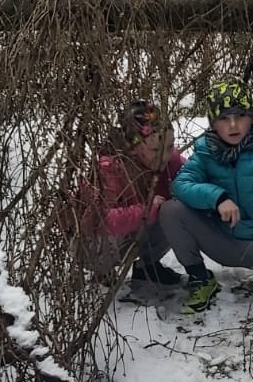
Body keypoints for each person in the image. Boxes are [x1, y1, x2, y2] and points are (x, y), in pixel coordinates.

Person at [160, 78, 253, 313]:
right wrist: (217, 198)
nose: (233, 125)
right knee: (171, 210)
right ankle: (201, 279)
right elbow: (180, 184)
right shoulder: (206, 150)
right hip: (224, 240)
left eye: (240, 116)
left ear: (252, 117)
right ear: (213, 123)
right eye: (223, 118)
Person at [74, 101, 184, 296]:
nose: (164, 156)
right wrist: (145, 211)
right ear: (133, 148)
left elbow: (193, 178)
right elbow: (98, 220)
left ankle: (147, 267)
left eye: (169, 147)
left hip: (134, 230)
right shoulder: (109, 168)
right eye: (156, 150)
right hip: (96, 244)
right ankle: (102, 271)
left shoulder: (171, 161)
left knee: (174, 210)